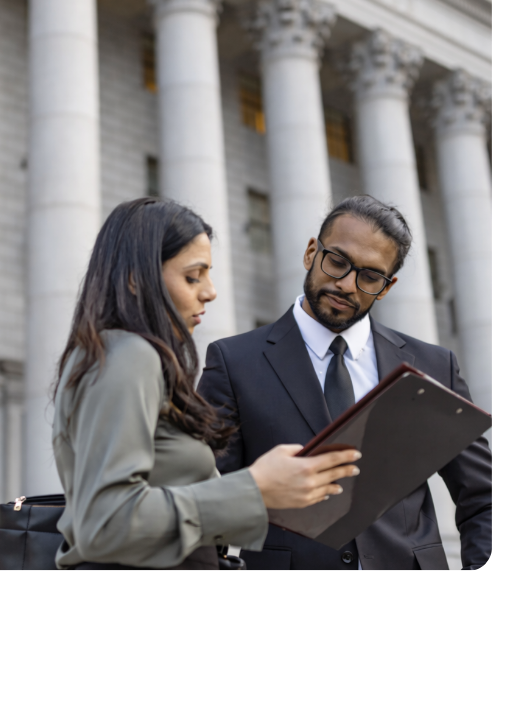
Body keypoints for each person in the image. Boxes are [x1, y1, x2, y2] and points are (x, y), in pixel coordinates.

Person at [52, 198, 360, 571]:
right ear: (136, 279)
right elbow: (104, 522)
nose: (210, 291)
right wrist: (256, 486)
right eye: (192, 276)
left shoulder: (114, 354)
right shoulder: (129, 355)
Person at [198, 196, 492, 571]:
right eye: (337, 261)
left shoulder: (435, 365)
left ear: (386, 287)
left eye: (369, 276)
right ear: (310, 253)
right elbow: (203, 495)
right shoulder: (232, 362)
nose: (346, 284)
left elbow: (483, 496)